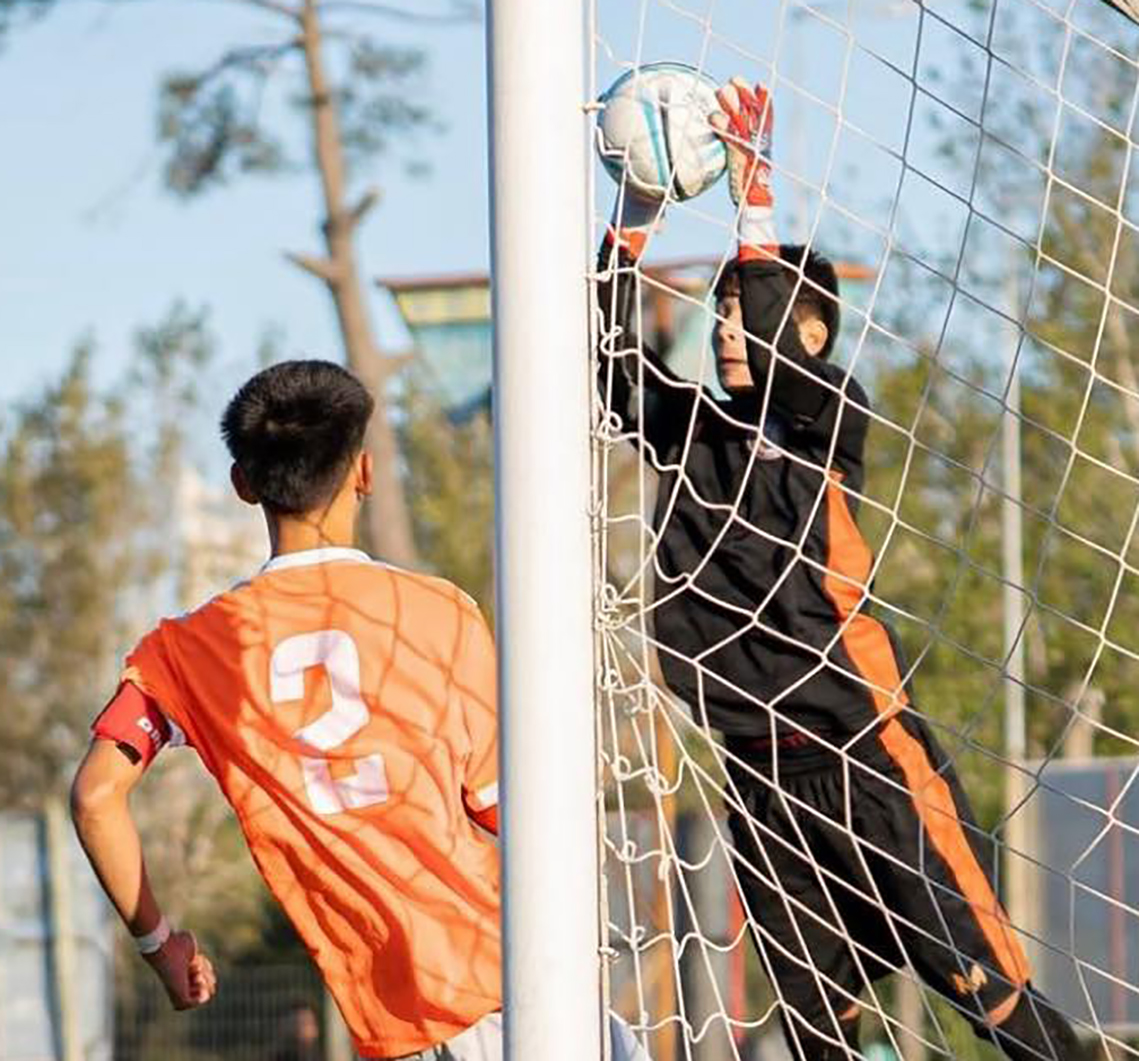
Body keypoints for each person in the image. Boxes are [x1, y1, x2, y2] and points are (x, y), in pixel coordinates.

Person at [598, 77, 1089, 1061]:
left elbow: (780, 345)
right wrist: (635, 214)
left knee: (991, 998)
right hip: (757, 777)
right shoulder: (690, 430)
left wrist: (754, 196)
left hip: (864, 757)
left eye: (744, 309)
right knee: (816, 1030)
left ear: (810, 332)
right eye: (720, 312)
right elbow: (602, 355)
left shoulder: (827, 420)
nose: (728, 328)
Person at [70, 360, 647, 1061]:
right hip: (511, 985)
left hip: (395, 1019)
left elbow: (97, 795)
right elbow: (507, 808)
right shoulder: (435, 612)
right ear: (365, 472)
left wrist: (161, 945)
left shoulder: (189, 649)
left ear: (242, 484)